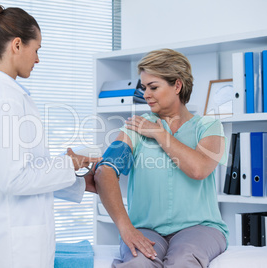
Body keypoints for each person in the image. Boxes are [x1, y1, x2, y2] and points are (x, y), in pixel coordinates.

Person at [0, 5, 101, 268]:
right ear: (17, 45)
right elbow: (14, 179)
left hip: (13, 237)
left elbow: (27, 172)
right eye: (36, 50)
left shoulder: (3, 95)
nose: (37, 59)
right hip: (10, 248)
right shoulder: (4, 100)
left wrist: (80, 184)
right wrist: (70, 164)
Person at [94, 48, 229, 268]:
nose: (145, 94)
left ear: (177, 85)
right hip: (147, 229)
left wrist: (158, 134)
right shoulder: (135, 127)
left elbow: (199, 169)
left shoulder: (209, 127)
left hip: (200, 228)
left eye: (153, 87)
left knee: (182, 261)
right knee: (138, 264)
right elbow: (105, 171)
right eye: (144, 87)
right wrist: (125, 228)